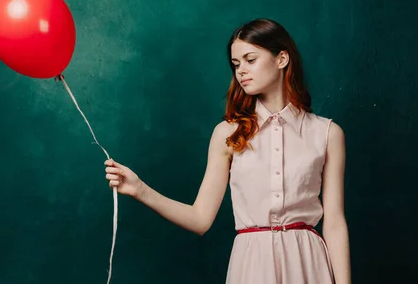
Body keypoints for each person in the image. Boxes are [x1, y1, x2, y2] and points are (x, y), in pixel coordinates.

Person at [104, 18, 351, 284]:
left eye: (250, 60)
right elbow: (200, 219)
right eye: (236, 64)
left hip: (308, 264)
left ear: (282, 59)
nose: (241, 71)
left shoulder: (327, 133)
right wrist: (140, 189)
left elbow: (335, 222)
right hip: (252, 266)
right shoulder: (227, 134)